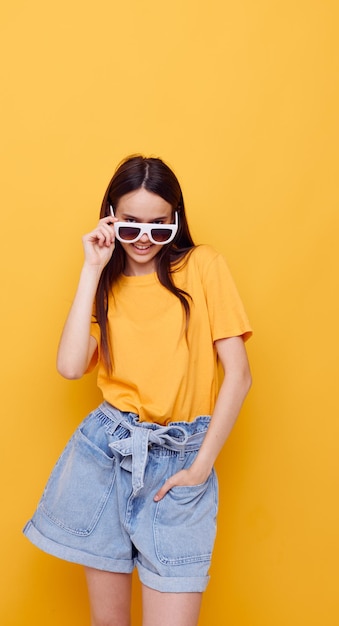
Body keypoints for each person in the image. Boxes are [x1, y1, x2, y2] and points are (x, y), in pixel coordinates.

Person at [24, 154, 252, 626]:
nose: (144, 238)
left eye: (159, 226)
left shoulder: (203, 266)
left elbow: (240, 374)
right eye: (130, 225)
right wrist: (92, 267)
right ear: (110, 216)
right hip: (107, 455)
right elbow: (70, 367)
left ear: (175, 221)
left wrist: (199, 468)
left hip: (180, 459)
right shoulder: (104, 285)